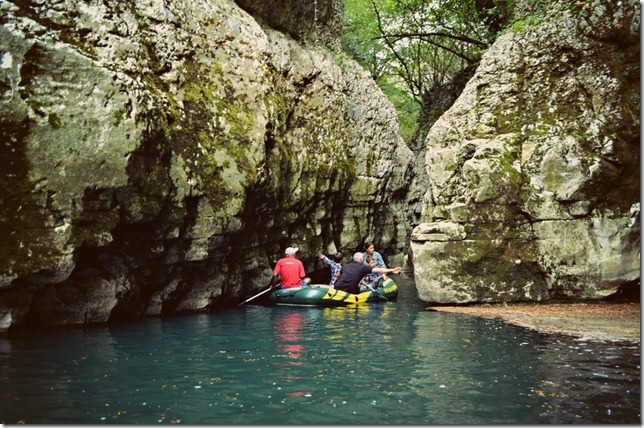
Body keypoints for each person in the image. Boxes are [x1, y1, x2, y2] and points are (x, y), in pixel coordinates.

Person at [335, 252, 401, 294]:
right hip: (348, 291)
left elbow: (338, 275)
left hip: (337, 288)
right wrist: (392, 270)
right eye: (363, 258)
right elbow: (380, 270)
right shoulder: (363, 267)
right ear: (360, 259)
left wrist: (340, 280)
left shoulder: (345, 266)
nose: (363, 259)